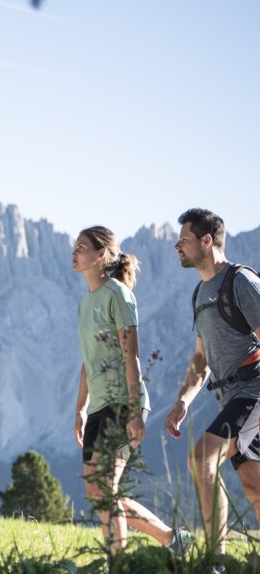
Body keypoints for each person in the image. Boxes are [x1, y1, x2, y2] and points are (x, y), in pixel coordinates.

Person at [73, 225, 193, 556]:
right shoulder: (84, 304)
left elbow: (132, 355)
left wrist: (136, 410)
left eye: (81, 247)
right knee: (97, 493)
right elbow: (87, 361)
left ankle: (118, 570)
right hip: (98, 406)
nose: (74, 252)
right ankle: (173, 539)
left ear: (100, 255)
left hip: (121, 402)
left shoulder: (119, 295)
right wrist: (80, 409)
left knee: (107, 489)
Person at [166, 208, 260, 553]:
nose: (177, 246)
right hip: (230, 398)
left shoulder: (241, 282)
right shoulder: (200, 293)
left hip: (253, 393)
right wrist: (182, 401)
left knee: (201, 459)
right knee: (253, 487)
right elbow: (201, 359)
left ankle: (215, 560)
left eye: (184, 240)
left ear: (207, 241)